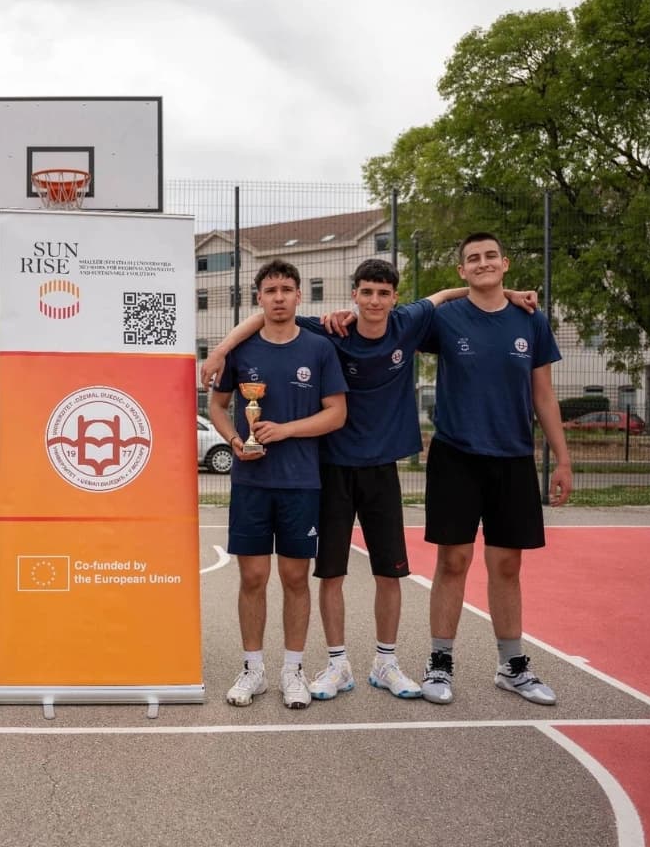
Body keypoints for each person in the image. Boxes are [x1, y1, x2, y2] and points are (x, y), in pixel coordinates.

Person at [202, 259, 537, 704]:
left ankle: (385, 661)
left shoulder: (408, 323)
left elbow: (446, 296)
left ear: (394, 298)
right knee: (330, 574)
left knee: (388, 572)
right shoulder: (330, 333)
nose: (375, 300)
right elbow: (263, 317)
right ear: (354, 296)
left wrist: (509, 294)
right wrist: (222, 349)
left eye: (383, 293)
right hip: (332, 467)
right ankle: (336, 664)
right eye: (366, 293)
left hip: (381, 467)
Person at [419, 232, 571, 706]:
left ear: (505, 263)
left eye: (490, 257)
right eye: (471, 260)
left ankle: (512, 666)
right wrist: (460, 292)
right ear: (462, 272)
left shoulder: (531, 320)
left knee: (507, 564)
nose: (482, 263)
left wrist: (562, 458)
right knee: (453, 561)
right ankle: (440, 663)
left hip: (512, 458)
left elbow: (543, 394)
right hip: (455, 455)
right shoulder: (446, 318)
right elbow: (402, 316)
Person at [208, 259, 348, 710]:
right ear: (258, 298)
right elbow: (217, 405)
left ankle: (293, 670)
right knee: (252, 576)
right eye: (270, 291)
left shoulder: (319, 348)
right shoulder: (242, 350)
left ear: (299, 295)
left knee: (294, 577)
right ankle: (253, 670)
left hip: (301, 481)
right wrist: (235, 439)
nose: (279, 297)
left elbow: (337, 413)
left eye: (287, 289)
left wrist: (285, 430)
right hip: (251, 480)